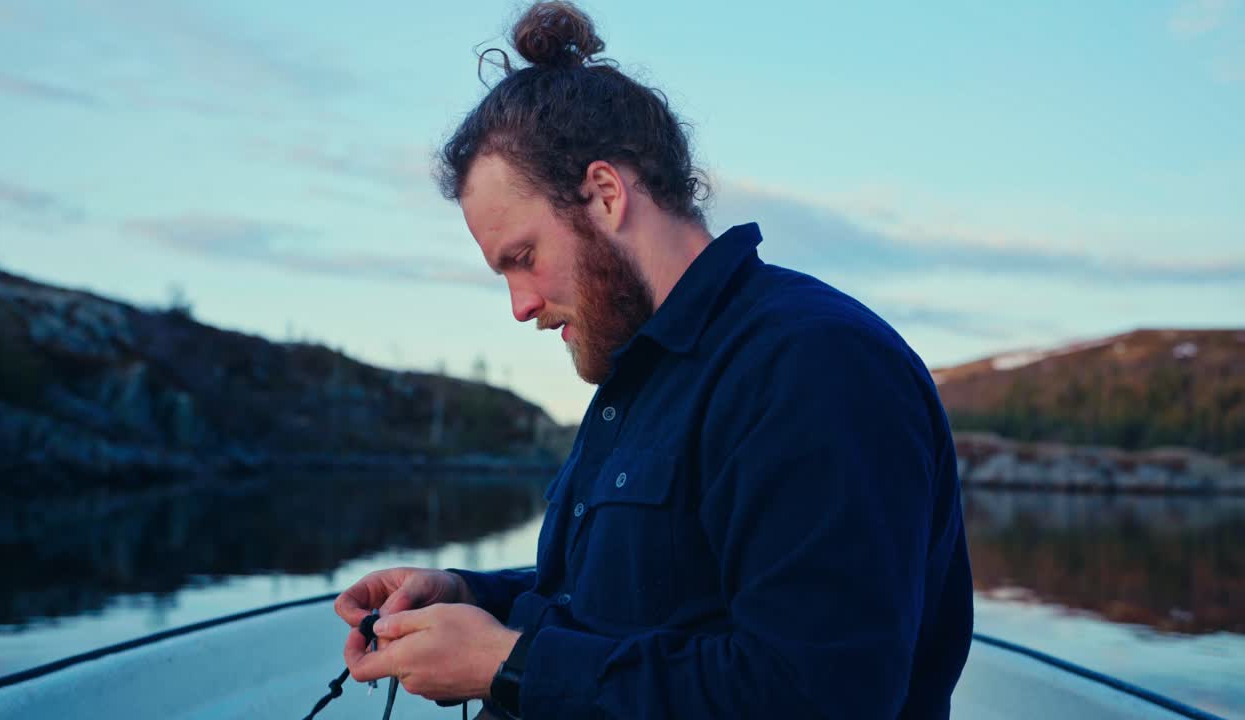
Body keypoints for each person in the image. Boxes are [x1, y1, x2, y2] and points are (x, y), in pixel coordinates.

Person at [334, 2, 973, 717]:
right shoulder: (639, 378)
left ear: (606, 196)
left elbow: (816, 695)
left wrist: (508, 665)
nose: (519, 305)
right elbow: (615, 600)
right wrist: (470, 597)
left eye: (524, 258)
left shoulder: (814, 366)